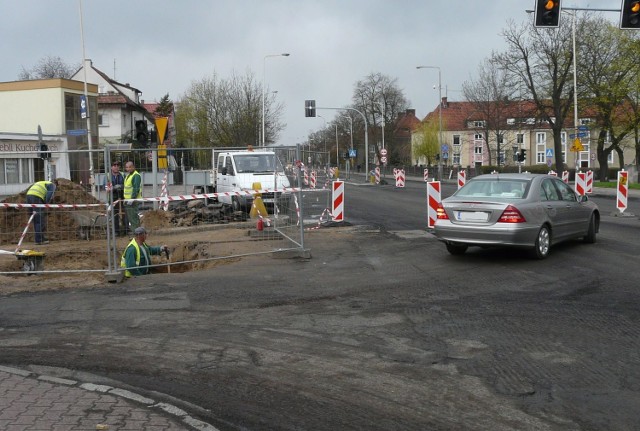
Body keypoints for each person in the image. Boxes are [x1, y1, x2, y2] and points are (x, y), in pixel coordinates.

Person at [26, 179, 58, 245]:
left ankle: (40, 238)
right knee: (40, 220)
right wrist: (46, 204)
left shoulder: (42, 182)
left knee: (36, 220)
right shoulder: (52, 185)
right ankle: (39, 240)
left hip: (28, 196)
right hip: (36, 197)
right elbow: (49, 195)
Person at [105, 161, 128, 236]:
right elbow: (105, 186)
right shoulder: (108, 176)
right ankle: (116, 231)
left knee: (125, 213)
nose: (116, 166)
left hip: (122, 196)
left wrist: (121, 186)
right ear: (111, 167)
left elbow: (127, 184)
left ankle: (126, 230)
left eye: (118, 165)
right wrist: (113, 187)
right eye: (114, 165)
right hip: (112, 197)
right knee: (114, 214)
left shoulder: (123, 175)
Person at [123, 161, 142, 233]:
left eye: (130, 167)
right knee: (132, 218)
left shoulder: (135, 175)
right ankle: (136, 233)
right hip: (128, 200)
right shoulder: (129, 176)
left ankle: (137, 233)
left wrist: (132, 199)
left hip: (133, 201)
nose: (128, 169)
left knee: (134, 218)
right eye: (127, 167)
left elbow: (136, 188)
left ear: (133, 167)